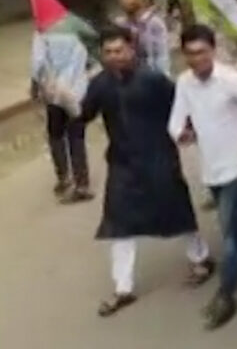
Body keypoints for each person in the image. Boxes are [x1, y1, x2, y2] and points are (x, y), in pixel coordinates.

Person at [52, 26, 213, 318]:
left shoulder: (152, 80)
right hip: (122, 163)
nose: (114, 57)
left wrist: (189, 130)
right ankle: (123, 288)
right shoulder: (101, 84)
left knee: (176, 211)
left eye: (119, 50)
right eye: (108, 52)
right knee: (119, 223)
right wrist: (65, 101)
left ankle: (201, 258)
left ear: (131, 49)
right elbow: (84, 115)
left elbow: (181, 106)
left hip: (159, 158)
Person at [167, 24, 237, 330]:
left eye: (202, 52)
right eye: (190, 54)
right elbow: (175, 120)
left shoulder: (230, 80)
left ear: (213, 50)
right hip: (211, 165)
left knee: (229, 233)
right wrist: (181, 133)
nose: (196, 59)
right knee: (236, 217)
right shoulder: (185, 82)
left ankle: (226, 295)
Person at [31, 28, 92, 203]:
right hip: (77, 90)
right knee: (77, 136)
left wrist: (35, 88)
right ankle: (82, 183)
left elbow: (37, 64)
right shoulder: (74, 28)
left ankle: (64, 177)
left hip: (54, 91)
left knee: (56, 134)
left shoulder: (42, 34)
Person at [115, 0, 171, 75]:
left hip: (152, 75)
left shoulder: (154, 23)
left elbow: (161, 56)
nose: (122, 0)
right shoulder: (121, 25)